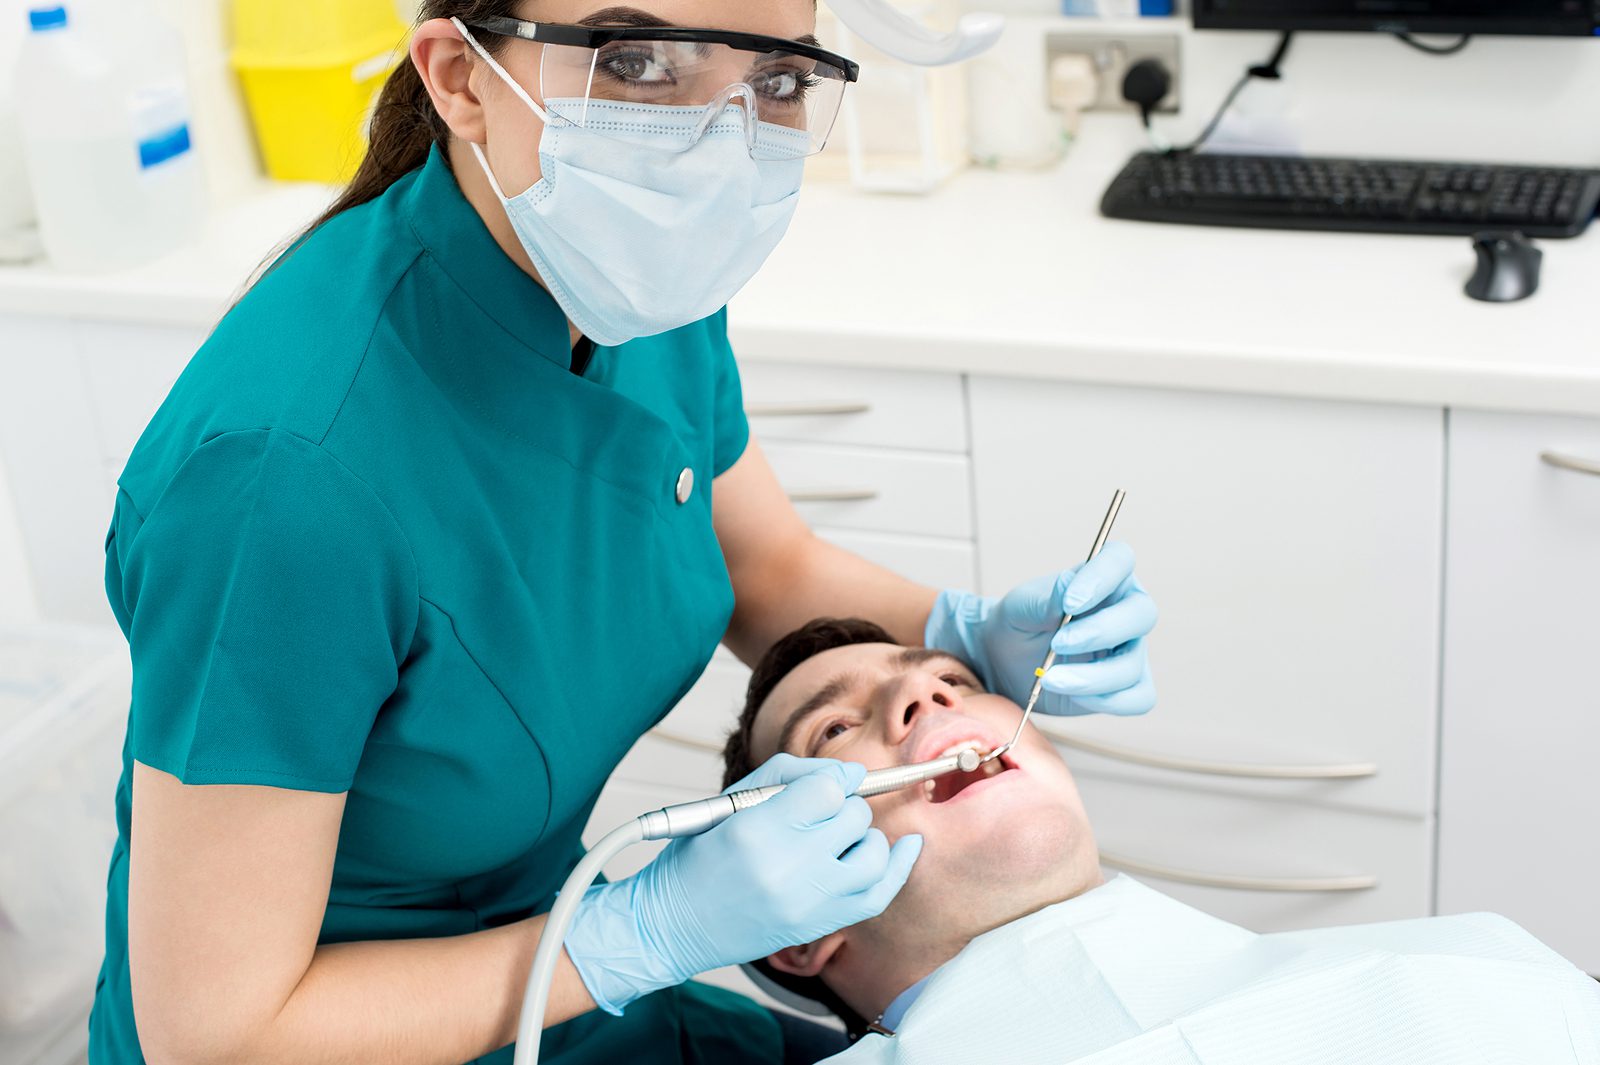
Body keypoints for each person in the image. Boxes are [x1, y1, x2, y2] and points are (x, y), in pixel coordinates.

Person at [86, 3, 1160, 1064]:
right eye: (638, 61)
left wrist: (955, 630)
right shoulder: (287, 482)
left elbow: (759, 561)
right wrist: (634, 935)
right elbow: (222, 1035)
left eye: (779, 79)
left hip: (564, 996)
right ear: (460, 77)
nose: (718, 138)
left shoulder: (629, 264)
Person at [721, 619, 1600, 1063]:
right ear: (798, 929)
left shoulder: (1488, 970)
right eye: (834, 729)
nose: (926, 698)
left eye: (953, 676)